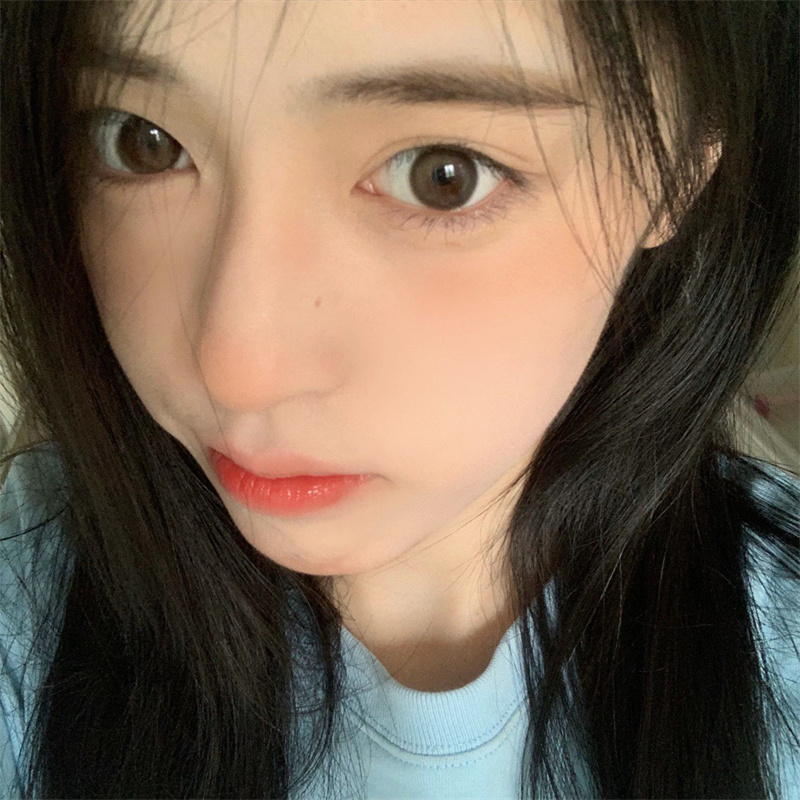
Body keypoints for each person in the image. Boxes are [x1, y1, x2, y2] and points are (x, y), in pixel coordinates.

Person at [0, 1, 798, 797]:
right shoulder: (28, 598)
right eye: (143, 142)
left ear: (676, 172)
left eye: (442, 175)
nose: (238, 372)